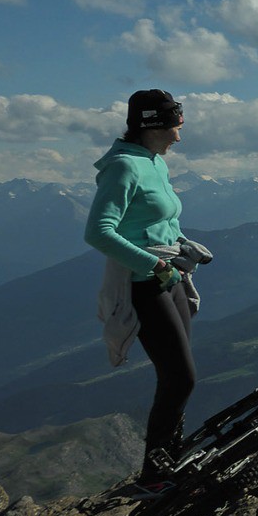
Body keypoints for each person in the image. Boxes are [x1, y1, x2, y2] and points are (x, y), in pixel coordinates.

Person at [84, 89, 209, 492]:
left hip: (169, 276)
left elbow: (157, 221)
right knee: (181, 378)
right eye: (176, 121)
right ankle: (154, 475)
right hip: (145, 284)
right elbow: (99, 232)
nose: (180, 130)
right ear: (154, 123)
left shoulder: (154, 162)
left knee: (178, 376)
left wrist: (182, 242)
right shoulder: (123, 167)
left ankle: (171, 456)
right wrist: (154, 264)